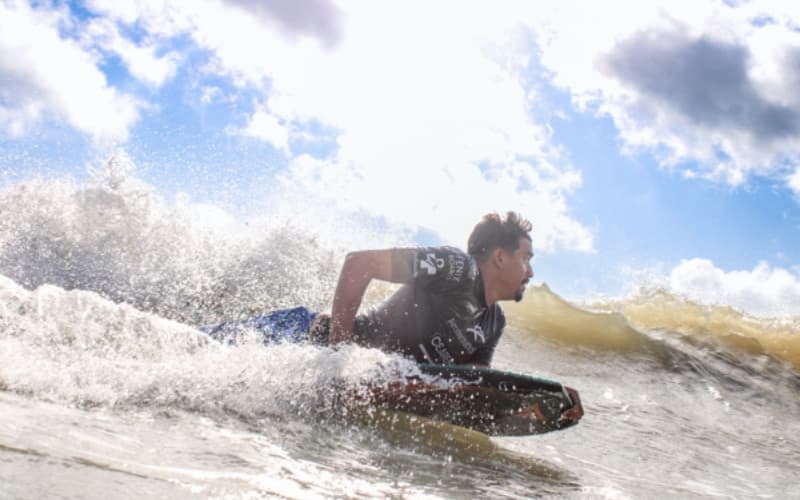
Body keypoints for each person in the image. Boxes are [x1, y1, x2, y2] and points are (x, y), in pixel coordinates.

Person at [202, 211, 583, 423]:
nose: (530, 272)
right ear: (500, 257)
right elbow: (359, 264)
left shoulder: (492, 324)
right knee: (177, 348)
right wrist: (339, 359)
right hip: (297, 336)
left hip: (317, 372)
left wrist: (539, 408)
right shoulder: (456, 269)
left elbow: (465, 391)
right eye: (526, 259)